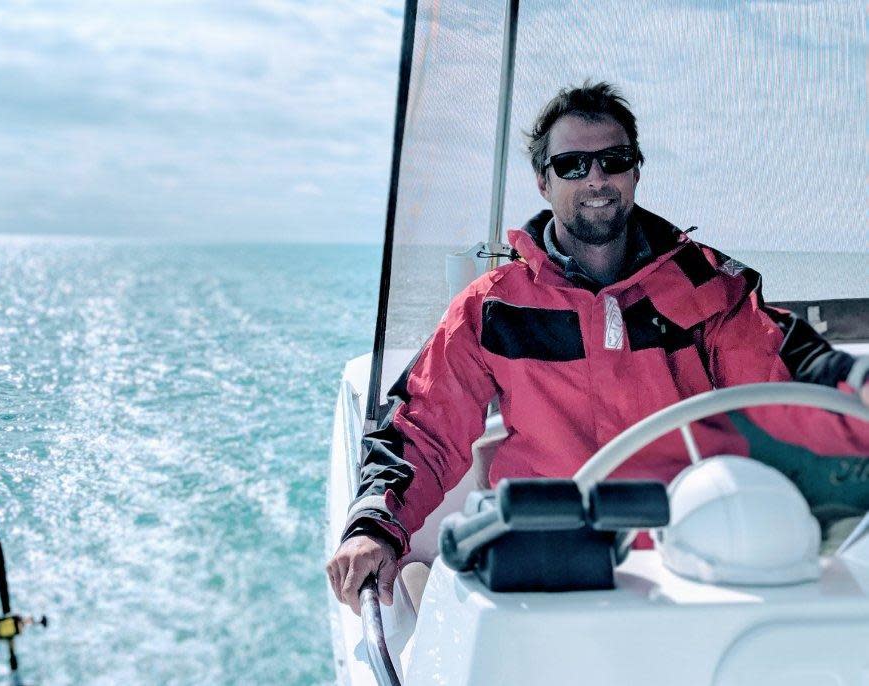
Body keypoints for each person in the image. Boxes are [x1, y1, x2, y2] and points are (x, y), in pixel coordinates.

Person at [327, 81, 869, 614]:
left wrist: (857, 394)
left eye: (614, 159)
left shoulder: (706, 287)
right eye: (572, 166)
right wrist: (375, 525)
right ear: (543, 181)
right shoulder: (491, 309)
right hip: (546, 558)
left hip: (692, 559)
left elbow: (785, 379)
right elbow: (425, 427)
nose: (597, 179)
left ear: (635, 170)